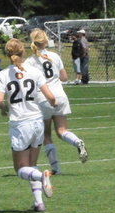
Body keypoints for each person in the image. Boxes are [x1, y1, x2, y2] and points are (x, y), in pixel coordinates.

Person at [0, 38, 57, 213]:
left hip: (20, 123)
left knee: (21, 169)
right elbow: (51, 97)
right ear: (23, 52)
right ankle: (39, 203)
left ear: (7, 54)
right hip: (37, 121)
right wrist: (53, 104)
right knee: (32, 163)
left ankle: (41, 176)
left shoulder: (3, 74)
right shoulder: (34, 71)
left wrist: (4, 109)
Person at [25, 28, 88, 175]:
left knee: (46, 136)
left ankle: (56, 169)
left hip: (43, 97)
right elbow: (64, 77)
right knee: (62, 130)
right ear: (46, 41)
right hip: (60, 95)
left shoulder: (30, 61)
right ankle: (77, 141)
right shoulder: (54, 56)